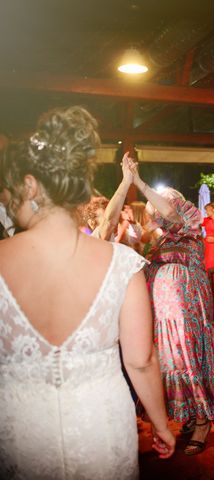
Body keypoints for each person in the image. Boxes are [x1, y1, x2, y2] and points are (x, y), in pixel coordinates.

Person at [0, 106, 174, 479]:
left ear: (30, 186)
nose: (7, 199)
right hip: (102, 426)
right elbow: (141, 360)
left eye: (10, 189)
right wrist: (160, 424)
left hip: (20, 432)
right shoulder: (122, 263)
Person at [128, 163, 214, 456]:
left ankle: (204, 420)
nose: (158, 211)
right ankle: (192, 414)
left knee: (190, 359)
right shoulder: (161, 240)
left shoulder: (189, 229)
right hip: (164, 317)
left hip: (187, 313)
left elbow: (169, 213)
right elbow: (139, 237)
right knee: (173, 361)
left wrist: (140, 183)